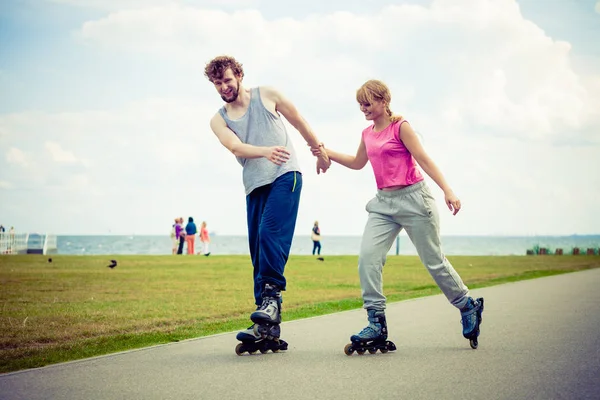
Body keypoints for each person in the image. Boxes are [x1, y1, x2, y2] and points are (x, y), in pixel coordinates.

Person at [311, 79, 484, 349]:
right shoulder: (367, 133)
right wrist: (327, 152)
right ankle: (376, 322)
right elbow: (358, 164)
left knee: (434, 261)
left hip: (415, 199)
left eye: (367, 103)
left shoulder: (401, 127)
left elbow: (424, 159)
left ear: (383, 101)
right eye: (360, 104)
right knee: (367, 258)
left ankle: (467, 305)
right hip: (384, 203)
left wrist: (448, 191)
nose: (363, 109)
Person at [204, 55, 330, 344]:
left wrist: (319, 152)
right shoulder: (217, 119)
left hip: (286, 174)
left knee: (268, 232)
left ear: (238, 75)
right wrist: (264, 151)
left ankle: (271, 300)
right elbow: (233, 145)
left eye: (227, 80)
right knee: (258, 252)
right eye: (217, 83)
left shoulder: (268, 95)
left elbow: (299, 122)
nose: (223, 86)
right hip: (254, 185)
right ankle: (267, 328)